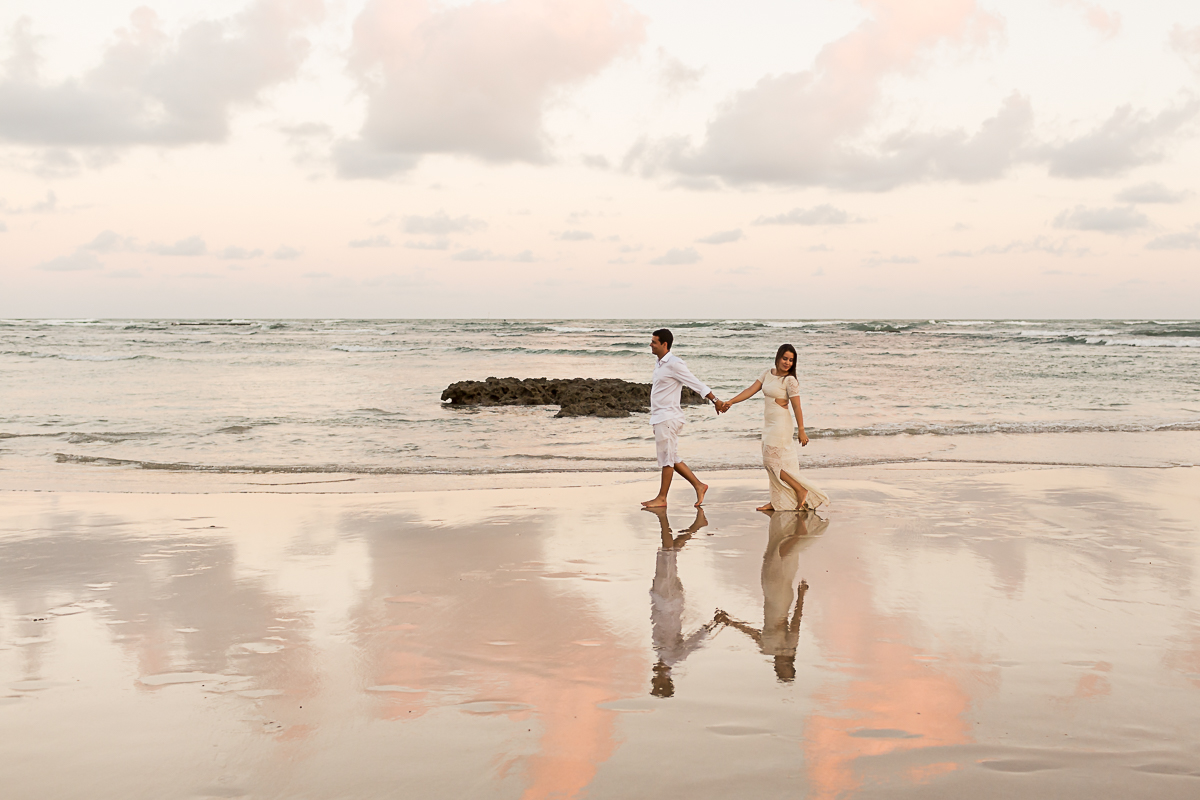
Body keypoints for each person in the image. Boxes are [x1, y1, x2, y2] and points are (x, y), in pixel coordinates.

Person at [715, 508, 828, 681]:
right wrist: (801, 595)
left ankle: (797, 530)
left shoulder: (766, 649)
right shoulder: (789, 647)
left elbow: (752, 632)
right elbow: (795, 622)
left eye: (782, 670)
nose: (783, 666)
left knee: (770, 559)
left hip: (770, 596)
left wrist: (730, 622)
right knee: (778, 559)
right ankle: (799, 532)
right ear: (790, 663)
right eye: (786, 668)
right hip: (781, 600)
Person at [717, 344, 828, 512]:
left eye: (791, 360)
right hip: (769, 425)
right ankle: (776, 502)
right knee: (772, 463)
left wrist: (802, 430)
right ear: (778, 357)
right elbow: (750, 390)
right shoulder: (767, 373)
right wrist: (731, 401)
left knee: (771, 462)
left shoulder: (790, 381)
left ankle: (800, 490)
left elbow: (797, 407)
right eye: (785, 358)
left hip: (781, 425)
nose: (787, 363)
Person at [642, 328, 724, 509]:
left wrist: (715, 400)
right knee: (672, 458)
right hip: (660, 417)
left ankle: (662, 498)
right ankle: (699, 485)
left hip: (669, 417)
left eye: (654, 342)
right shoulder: (660, 363)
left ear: (664, 344)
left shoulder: (674, 363)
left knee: (667, 460)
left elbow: (695, 383)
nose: (651, 344)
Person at [645, 506, 719, 697]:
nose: (653, 679)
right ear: (666, 680)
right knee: (666, 554)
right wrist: (714, 622)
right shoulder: (673, 658)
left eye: (653, 682)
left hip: (663, 599)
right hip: (668, 600)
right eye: (656, 683)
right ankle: (672, 522)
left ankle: (694, 526)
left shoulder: (662, 656)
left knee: (667, 555)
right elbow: (696, 641)